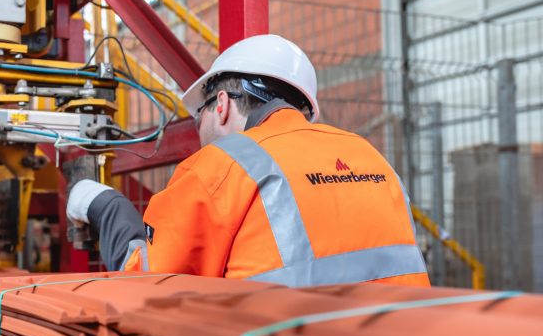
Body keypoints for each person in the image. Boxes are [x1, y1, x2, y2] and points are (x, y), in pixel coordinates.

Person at [66, 34, 429, 287]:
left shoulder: (218, 167)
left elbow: (146, 285)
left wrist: (105, 206)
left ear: (221, 105)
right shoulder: (372, 158)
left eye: (199, 116)